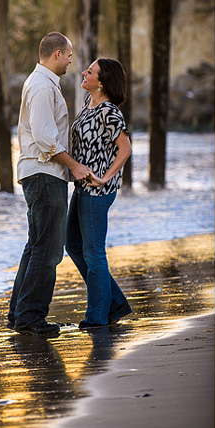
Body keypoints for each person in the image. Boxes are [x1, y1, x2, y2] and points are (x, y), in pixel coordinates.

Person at [7, 32, 92, 337]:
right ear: (56, 54)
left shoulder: (41, 83)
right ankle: (30, 317)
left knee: (37, 245)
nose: (71, 61)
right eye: (69, 55)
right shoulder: (42, 86)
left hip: (41, 173)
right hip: (45, 173)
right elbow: (45, 138)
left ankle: (19, 314)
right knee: (49, 248)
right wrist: (75, 166)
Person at [66, 57, 133, 329]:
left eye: (90, 71)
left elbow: (125, 148)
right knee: (73, 245)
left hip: (97, 191)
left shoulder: (109, 111)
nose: (84, 72)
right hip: (82, 187)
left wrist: (105, 177)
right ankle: (114, 304)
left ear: (101, 82)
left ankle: (97, 317)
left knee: (94, 253)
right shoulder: (88, 104)